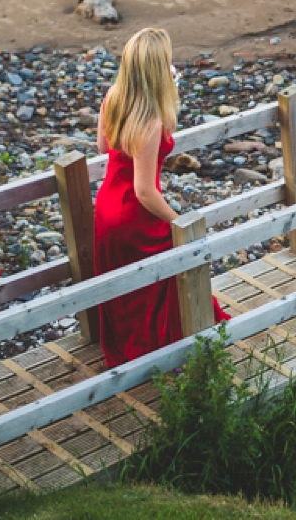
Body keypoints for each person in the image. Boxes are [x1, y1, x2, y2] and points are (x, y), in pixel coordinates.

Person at [94, 27, 227, 367]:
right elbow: (144, 191)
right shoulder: (151, 121)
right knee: (165, 268)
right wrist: (177, 220)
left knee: (125, 285)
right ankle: (157, 348)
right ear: (156, 69)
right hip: (132, 212)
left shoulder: (113, 96)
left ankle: (128, 345)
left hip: (107, 205)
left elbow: (103, 147)